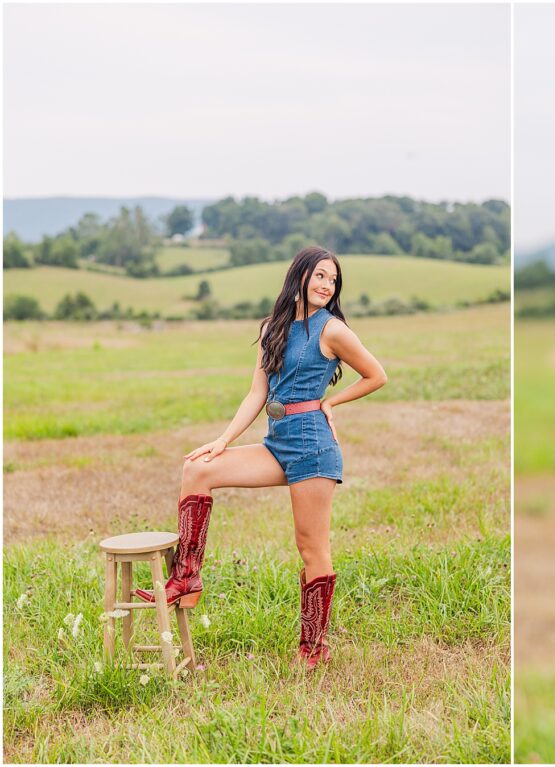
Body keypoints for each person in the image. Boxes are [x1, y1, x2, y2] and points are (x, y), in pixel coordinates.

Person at [135, 245, 387, 669]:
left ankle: (313, 648)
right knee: (198, 467)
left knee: (310, 547)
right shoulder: (273, 327)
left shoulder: (333, 330)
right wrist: (223, 440)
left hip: (312, 445)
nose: (327, 285)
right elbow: (257, 393)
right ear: (300, 277)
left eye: (333, 279)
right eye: (320, 276)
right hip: (277, 441)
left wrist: (332, 403)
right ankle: (187, 578)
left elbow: (376, 375)